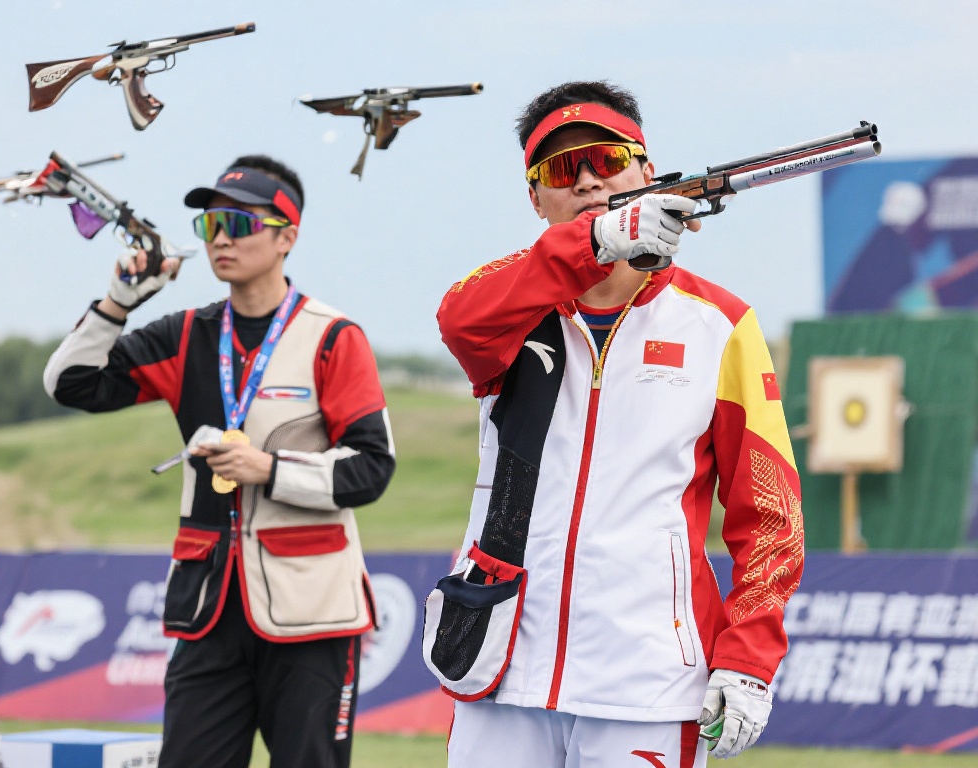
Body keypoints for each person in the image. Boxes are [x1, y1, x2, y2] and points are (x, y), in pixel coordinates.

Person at [428, 82, 805, 767]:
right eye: (561, 170)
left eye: (607, 160)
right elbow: (458, 317)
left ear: (646, 171)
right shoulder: (510, 306)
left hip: (650, 683)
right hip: (499, 664)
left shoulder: (720, 324)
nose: (589, 180)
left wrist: (747, 660)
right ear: (535, 199)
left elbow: (770, 517)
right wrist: (595, 241)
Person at [44, 155, 396, 768]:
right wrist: (119, 301)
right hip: (208, 609)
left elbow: (372, 468)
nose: (223, 238)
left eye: (239, 222)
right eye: (212, 225)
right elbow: (71, 384)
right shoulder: (185, 334)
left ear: (288, 236)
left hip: (312, 615)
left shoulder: (334, 337)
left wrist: (270, 470)